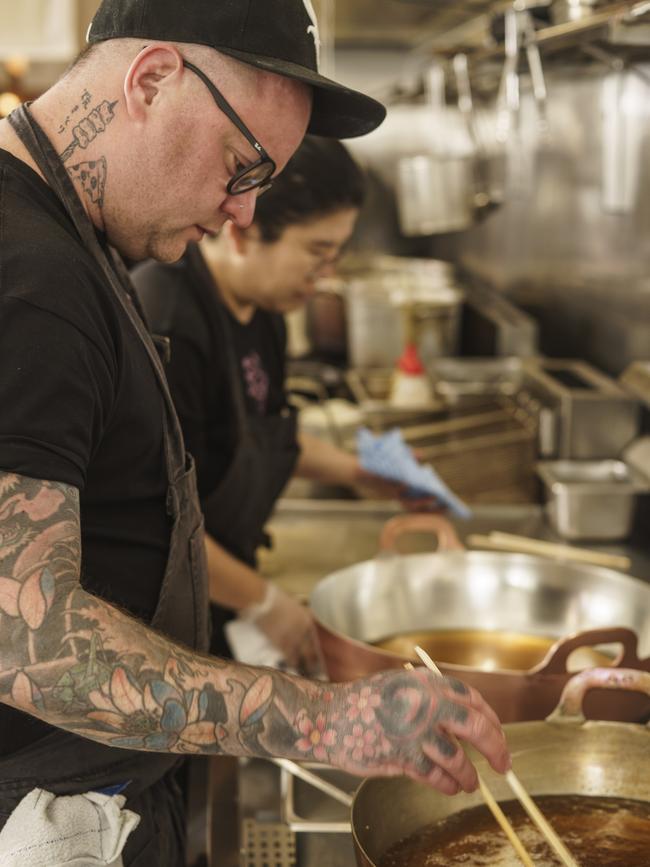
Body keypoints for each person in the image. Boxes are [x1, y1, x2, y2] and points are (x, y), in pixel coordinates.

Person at [0, 1, 510, 864]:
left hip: (108, 784)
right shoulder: (29, 277)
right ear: (152, 79)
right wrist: (323, 718)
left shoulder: (76, 238)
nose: (242, 218)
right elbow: (26, 641)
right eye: (242, 167)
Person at [133, 136, 420, 671]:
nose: (326, 275)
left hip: (221, 583)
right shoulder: (169, 321)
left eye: (336, 255)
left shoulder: (263, 309)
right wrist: (265, 603)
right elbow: (157, 519)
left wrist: (368, 472)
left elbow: (262, 432)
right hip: (162, 608)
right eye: (317, 253)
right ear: (245, 231)